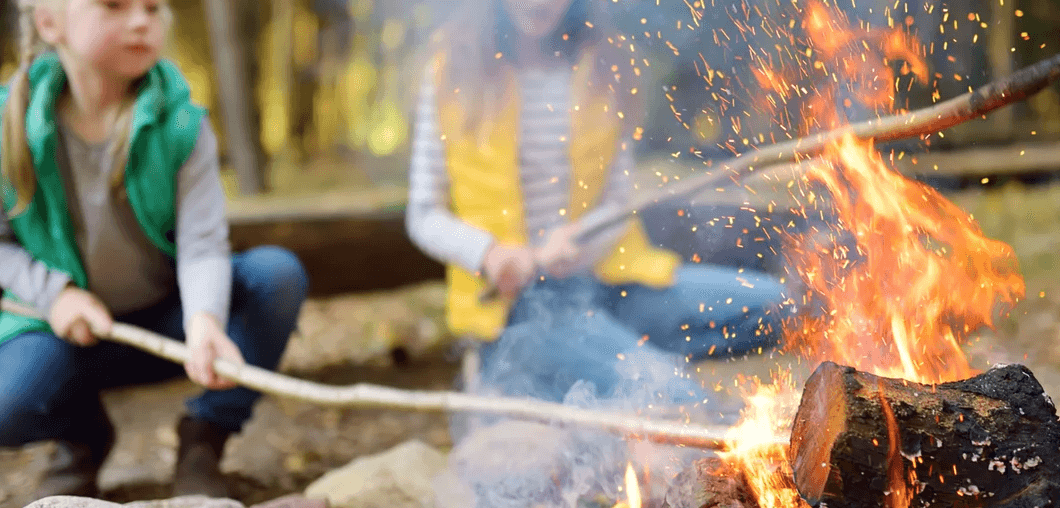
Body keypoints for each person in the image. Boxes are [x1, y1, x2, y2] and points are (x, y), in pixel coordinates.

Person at [406, 0, 791, 411]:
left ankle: (611, 352)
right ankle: (601, 362)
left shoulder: (608, 64)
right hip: (519, 311)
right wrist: (491, 254)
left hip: (611, 284)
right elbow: (424, 213)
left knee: (781, 306)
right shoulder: (453, 69)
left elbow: (616, 201)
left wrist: (583, 245)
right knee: (670, 395)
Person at [0, 0, 308, 500]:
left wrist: (204, 319)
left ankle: (204, 440)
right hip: (64, 335)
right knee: (7, 404)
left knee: (276, 276)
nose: (142, 20)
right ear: (49, 22)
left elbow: (203, 242)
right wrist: (54, 295)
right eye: (115, 5)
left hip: (169, 324)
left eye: (151, 6)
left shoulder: (182, 124)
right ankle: (81, 436)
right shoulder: (5, 126)